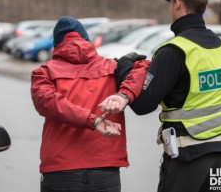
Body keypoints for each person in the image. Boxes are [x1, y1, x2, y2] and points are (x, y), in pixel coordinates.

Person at [99, 0, 221, 192]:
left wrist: (124, 69)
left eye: (171, 2)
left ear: (177, 3)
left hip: (189, 156)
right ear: (203, 6)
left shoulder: (174, 51)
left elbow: (143, 105)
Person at [30, 16, 147, 192]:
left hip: (61, 170)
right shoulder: (112, 67)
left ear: (57, 44)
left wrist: (94, 120)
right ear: (86, 40)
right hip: (104, 169)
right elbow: (144, 66)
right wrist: (124, 95)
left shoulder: (44, 72)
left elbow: (50, 102)